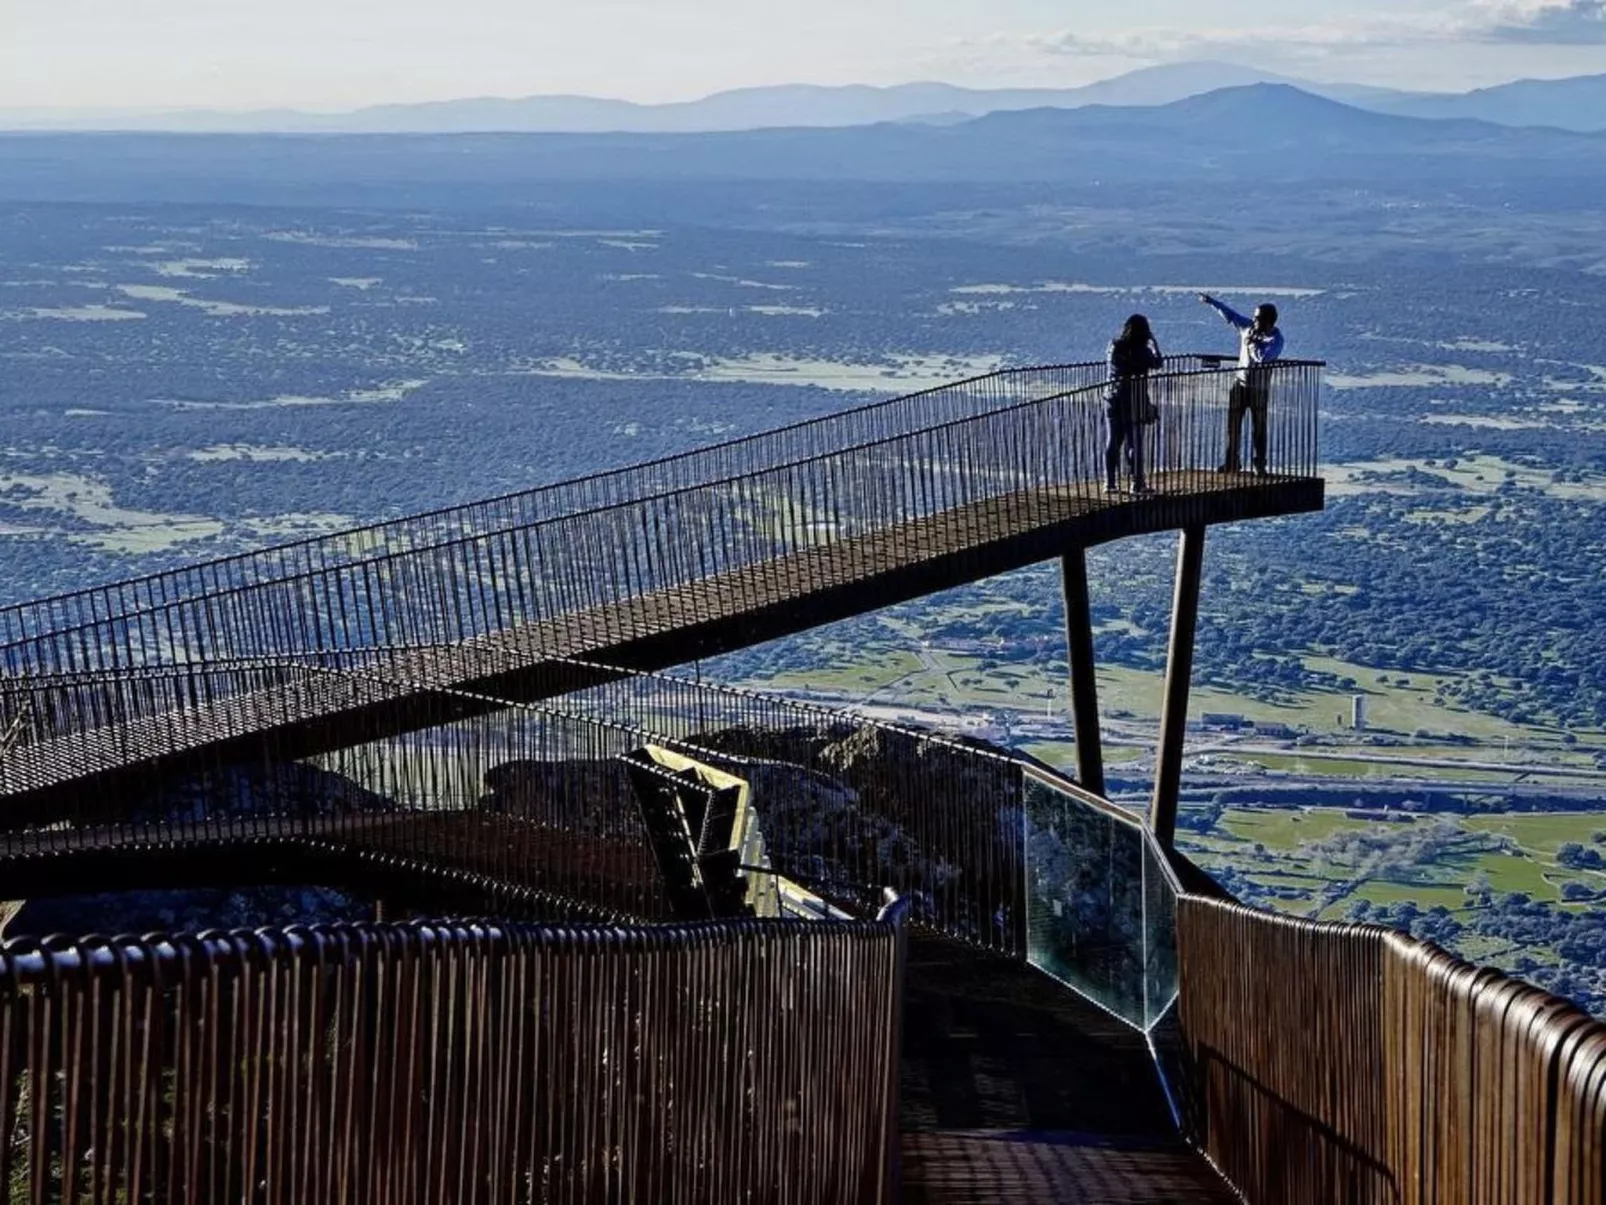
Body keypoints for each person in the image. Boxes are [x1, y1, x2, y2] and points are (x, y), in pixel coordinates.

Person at [1198, 293, 1284, 475]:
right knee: (1233, 425)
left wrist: (1251, 344)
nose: (1254, 320)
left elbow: (1264, 358)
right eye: (1254, 317)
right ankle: (1232, 461)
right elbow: (1230, 314)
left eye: (1258, 318)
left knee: (1259, 427)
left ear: (1269, 321)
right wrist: (1211, 301)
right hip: (1240, 383)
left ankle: (1259, 464)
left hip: (1259, 388)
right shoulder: (1248, 327)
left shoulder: (1276, 339)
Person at [1104, 314, 1163, 495]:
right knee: (1134, 442)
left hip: (1111, 397)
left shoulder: (1114, 346)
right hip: (1134, 399)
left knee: (1113, 441)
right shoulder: (1142, 351)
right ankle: (1137, 483)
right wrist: (1155, 344)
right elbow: (1158, 363)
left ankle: (1110, 483)